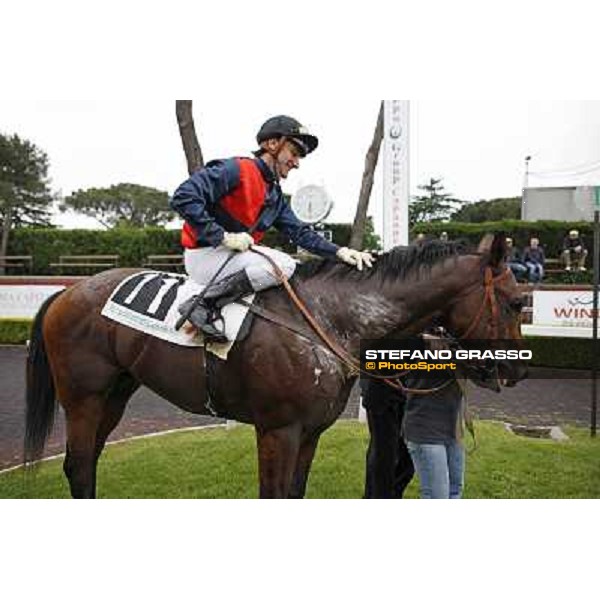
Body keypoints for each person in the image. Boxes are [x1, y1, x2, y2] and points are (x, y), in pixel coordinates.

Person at [170, 115, 374, 342]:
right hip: (205, 256)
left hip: (229, 256)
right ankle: (203, 304)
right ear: (272, 144)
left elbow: (300, 233)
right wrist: (222, 236)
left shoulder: (274, 194)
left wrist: (339, 251)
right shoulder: (235, 169)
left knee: (290, 265)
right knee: (283, 265)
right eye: (294, 153)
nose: (296, 163)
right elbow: (183, 196)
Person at [402, 336, 466, 500]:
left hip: (453, 428)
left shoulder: (458, 338)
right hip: (425, 430)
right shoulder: (412, 337)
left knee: (455, 490)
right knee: (437, 496)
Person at [361, 378, 415, 499]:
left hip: (409, 393)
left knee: (409, 459)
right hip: (381, 394)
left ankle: (389, 495)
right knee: (384, 458)